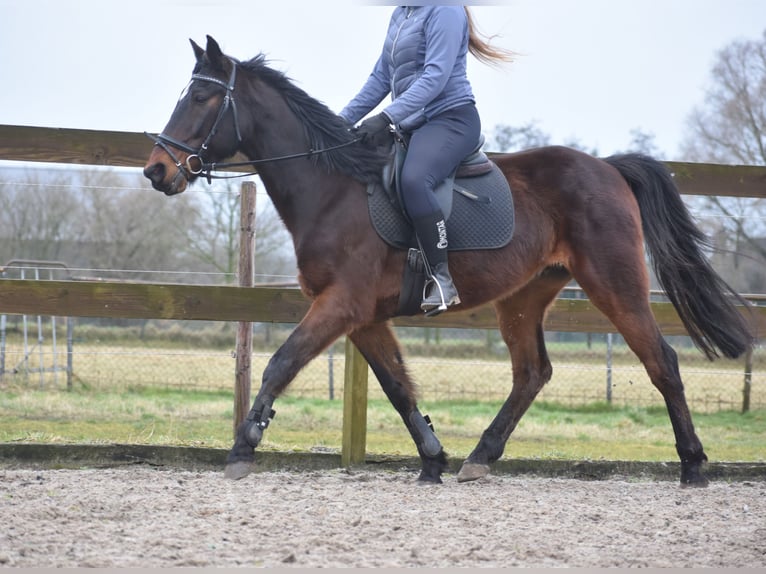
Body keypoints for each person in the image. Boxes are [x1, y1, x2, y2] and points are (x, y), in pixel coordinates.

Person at [340, 6, 514, 314]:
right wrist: (338, 124)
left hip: (450, 118)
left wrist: (385, 117)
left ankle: (442, 280)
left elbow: (436, 77)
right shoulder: (402, 13)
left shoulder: (446, 10)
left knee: (414, 179)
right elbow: (381, 76)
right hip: (412, 123)